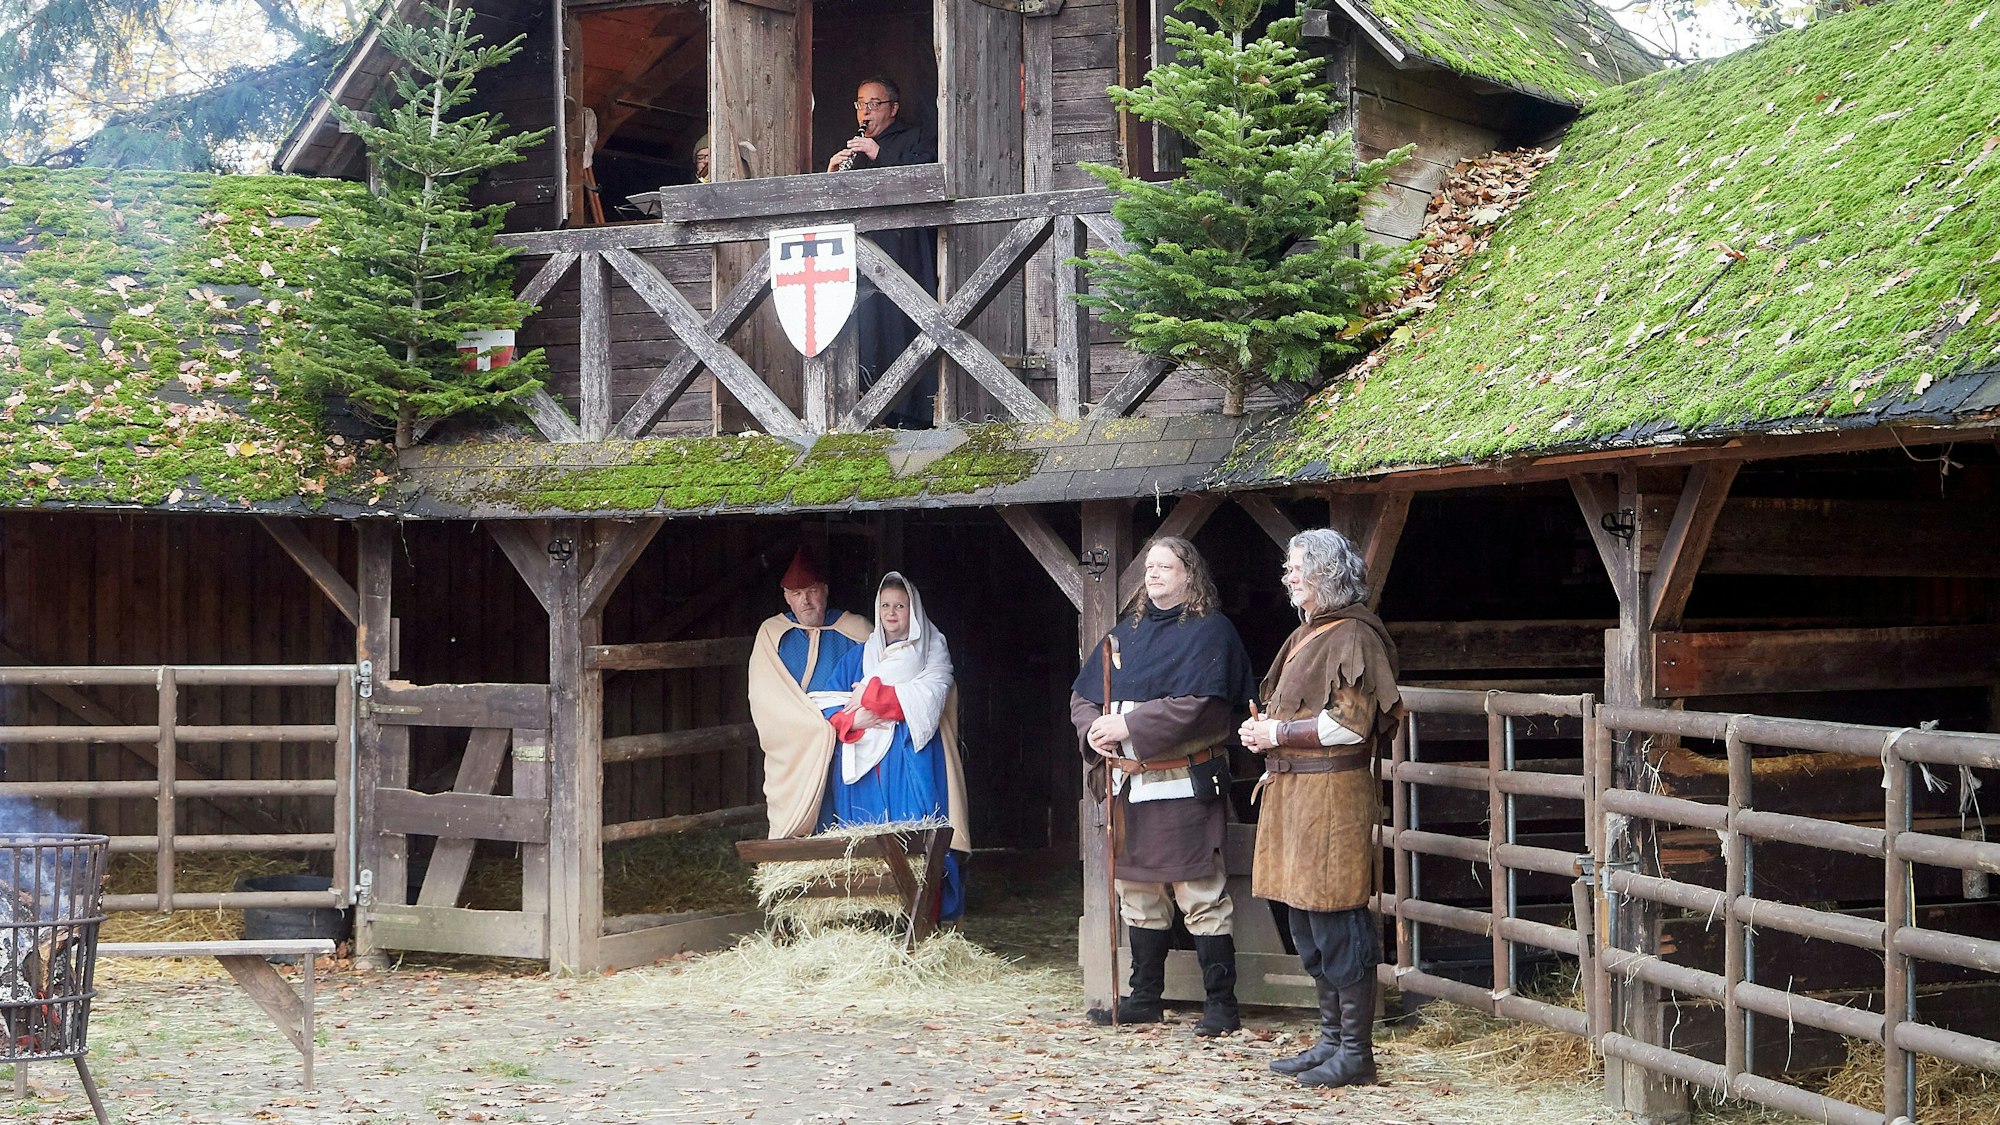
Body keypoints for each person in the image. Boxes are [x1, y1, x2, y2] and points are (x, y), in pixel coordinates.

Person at [1071, 536, 1256, 1036]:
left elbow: (1203, 706)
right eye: (1149, 567)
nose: (1152, 575)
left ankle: (1222, 1005)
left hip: (1182, 781)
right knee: (1137, 890)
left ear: (1188, 574)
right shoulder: (1124, 632)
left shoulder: (1211, 632)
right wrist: (1094, 727)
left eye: (1164, 567)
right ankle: (1145, 998)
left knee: (1199, 891)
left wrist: (1129, 726)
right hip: (1129, 786)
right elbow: (1083, 694)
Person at [1237, 528, 1402, 1088]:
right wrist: (1265, 733)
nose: (1288, 578)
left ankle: (1355, 1052)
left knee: (1337, 918)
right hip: (1295, 795)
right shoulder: (1312, 632)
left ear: (1326, 575)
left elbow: (1348, 725)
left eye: (1297, 569)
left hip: (1331, 798)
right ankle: (1332, 1041)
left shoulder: (1353, 635)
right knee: (1307, 922)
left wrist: (1277, 730)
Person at [819, 572, 971, 920]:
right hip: (864, 770)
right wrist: (851, 721)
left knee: (918, 835)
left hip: (909, 760)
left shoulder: (932, 652)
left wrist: (870, 696)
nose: (891, 613)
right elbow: (825, 699)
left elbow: (927, 700)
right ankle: (870, 919)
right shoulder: (859, 657)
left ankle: (923, 919)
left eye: (899, 606)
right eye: (885, 605)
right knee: (865, 840)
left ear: (913, 610)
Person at [825, 76, 938, 429]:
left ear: (893, 108)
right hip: (861, 253)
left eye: (874, 104)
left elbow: (924, 177)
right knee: (866, 327)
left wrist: (880, 153)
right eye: (861, 103)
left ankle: (910, 413)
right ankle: (867, 412)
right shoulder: (854, 149)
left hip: (903, 250)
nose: (866, 111)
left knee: (900, 326)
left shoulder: (916, 137)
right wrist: (831, 175)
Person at [748, 546, 871, 839]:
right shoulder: (772, 634)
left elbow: (878, 680)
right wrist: (813, 726)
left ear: (825, 591)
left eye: (812, 591)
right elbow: (765, 696)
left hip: (848, 737)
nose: (805, 601)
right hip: (796, 740)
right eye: (796, 593)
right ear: (786, 597)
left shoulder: (856, 630)